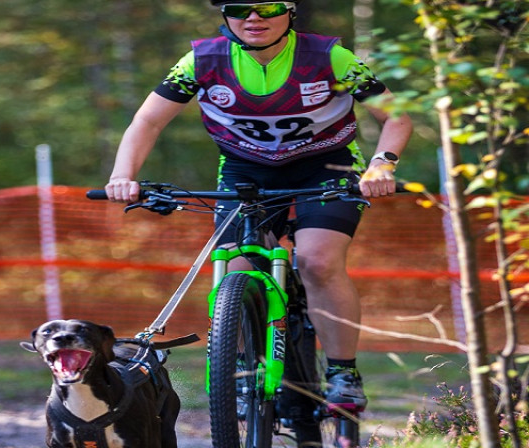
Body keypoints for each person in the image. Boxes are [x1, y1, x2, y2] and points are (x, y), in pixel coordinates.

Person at [104, 0, 412, 411]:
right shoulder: (201, 60)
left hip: (327, 166)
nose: (254, 18)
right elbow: (148, 120)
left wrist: (381, 165)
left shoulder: (329, 56)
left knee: (319, 261)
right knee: (236, 267)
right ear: (225, 16)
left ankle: (342, 372)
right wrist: (122, 176)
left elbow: (396, 116)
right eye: (239, 8)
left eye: (267, 8)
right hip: (245, 170)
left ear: (289, 13)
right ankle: (244, 370)